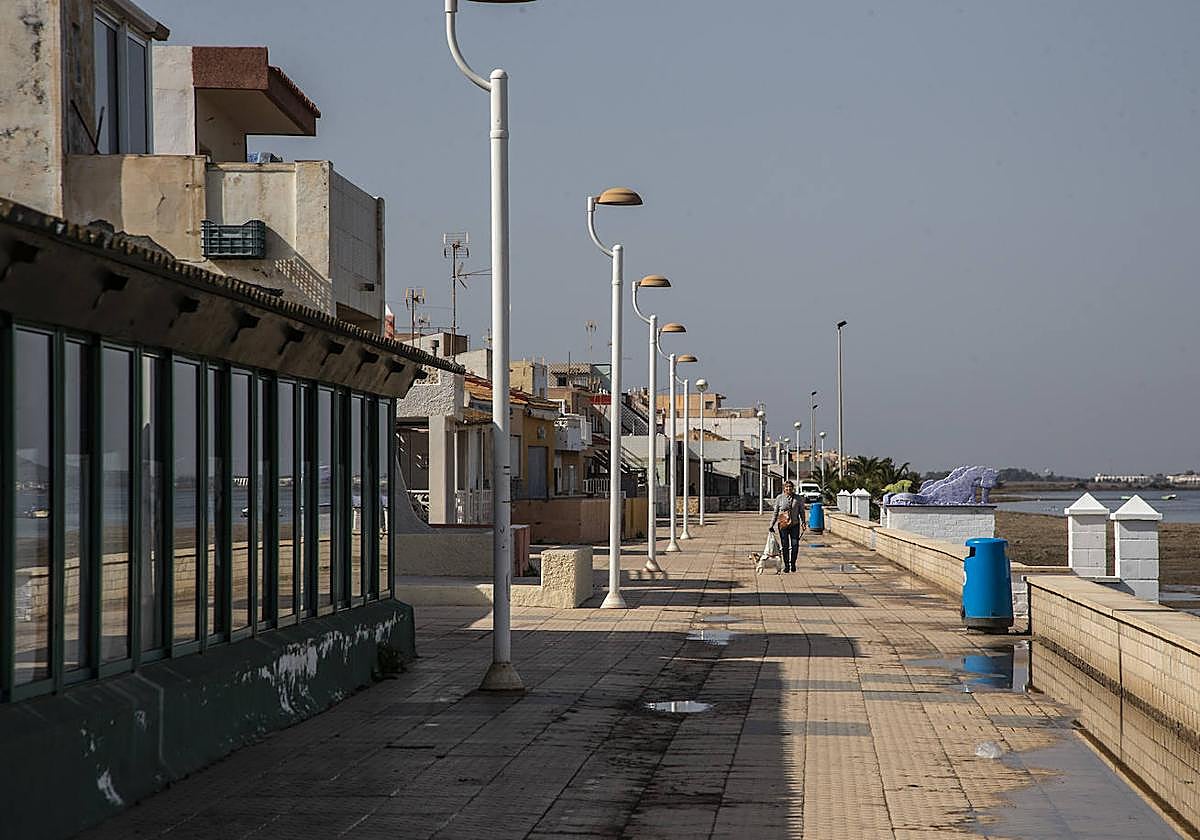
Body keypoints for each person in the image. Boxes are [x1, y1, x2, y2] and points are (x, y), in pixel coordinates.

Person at [769, 481, 806, 573]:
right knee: (785, 546)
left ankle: (793, 563)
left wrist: (803, 522)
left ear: (793, 488)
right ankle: (786, 565)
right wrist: (771, 525)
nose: (788, 489)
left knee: (795, 545)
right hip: (783, 525)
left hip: (795, 525)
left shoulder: (798, 498)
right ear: (784, 488)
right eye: (786, 487)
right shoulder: (779, 498)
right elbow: (775, 513)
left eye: (790, 487)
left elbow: (801, 511)